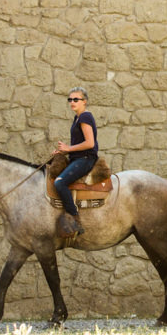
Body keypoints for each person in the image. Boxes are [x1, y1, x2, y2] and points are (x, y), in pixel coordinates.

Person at [53, 86, 99, 237]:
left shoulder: (85, 117)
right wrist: (63, 151)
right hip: (77, 157)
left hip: (86, 159)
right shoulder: (77, 118)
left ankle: (74, 218)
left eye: (76, 99)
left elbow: (90, 143)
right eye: (70, 99)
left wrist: (68, 148)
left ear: (84, 101)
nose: (72, 102)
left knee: (59, 182)